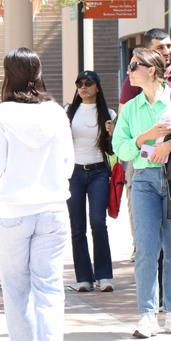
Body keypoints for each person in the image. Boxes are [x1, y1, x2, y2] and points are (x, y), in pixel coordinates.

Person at [0, 47, 74, 341]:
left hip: (11, 212)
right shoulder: (57, 113)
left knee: (17, 292)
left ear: (9, 75)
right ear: (37, 74)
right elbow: (67, 165)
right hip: (52, 209)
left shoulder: (1, 113)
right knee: (51, 291)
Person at [113, 48, 171, 338]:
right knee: (146, 249)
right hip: (144, 180)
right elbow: (119, 146)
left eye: (135, 66)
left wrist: (169, 145)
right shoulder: (131, 108)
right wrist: (144, 137)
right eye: (130, 65)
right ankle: (147, 315)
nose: (130, 71)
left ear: (153, 70)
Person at [66, 70, 116, 292]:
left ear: (97, 87)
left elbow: (116, 150)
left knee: (98, 221)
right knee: (77, 227)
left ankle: (104, 276)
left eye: (88, 83)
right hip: (74, 174)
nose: (83, 87)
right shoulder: (69, 112)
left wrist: (114, 134)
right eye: (80, 83)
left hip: (98, 172)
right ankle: (84, 278)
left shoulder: (108, 113)